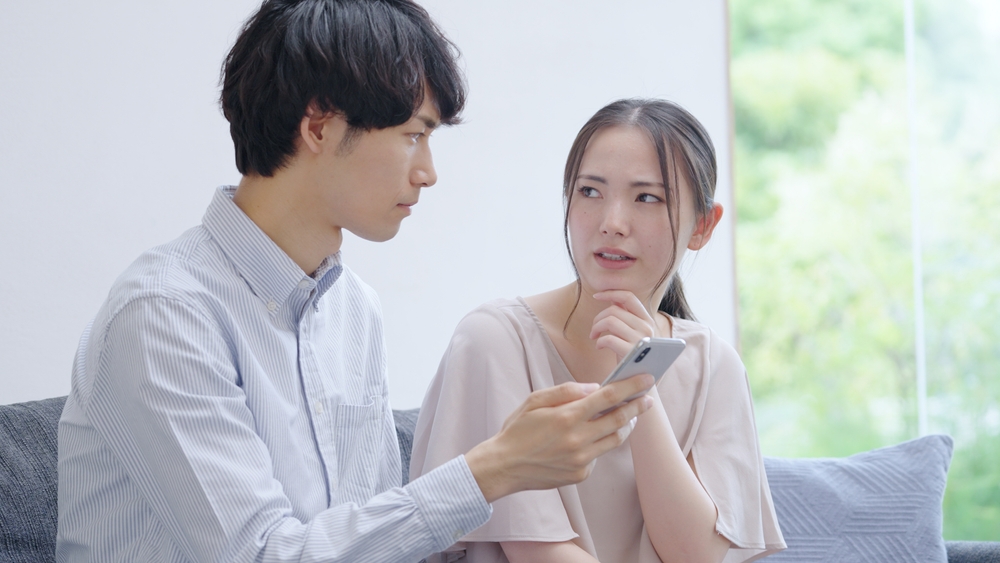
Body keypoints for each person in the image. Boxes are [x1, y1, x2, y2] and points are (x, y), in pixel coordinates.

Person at [55, 2, 656, 562]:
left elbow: (365, 536)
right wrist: (496, 467)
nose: (428, 173)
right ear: (318, 126)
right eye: (413, 135)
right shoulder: (164, 315)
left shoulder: (351, 309)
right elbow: (266, 556)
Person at [410, 99, 787, 563]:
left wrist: (639, 386)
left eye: (647, 198)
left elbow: (697, 554)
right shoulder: (494, 340)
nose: (612, 223)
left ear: (703, 225)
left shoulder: (713, 365)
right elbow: (538, 553)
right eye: (590, 192)